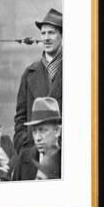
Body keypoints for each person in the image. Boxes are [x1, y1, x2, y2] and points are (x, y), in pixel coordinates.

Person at [13, 8, 63, 153]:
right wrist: (23, 145)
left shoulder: (77, 70)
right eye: (43, 33)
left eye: (51, 33)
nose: (46, 38)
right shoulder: (29, 73)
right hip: (33, 152)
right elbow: (20, 116)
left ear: (62, 35)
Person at [11, 97, 62, 181]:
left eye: (43, 130)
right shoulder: (24, 158)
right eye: (34, 131)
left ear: (57, 131)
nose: (37, 138)